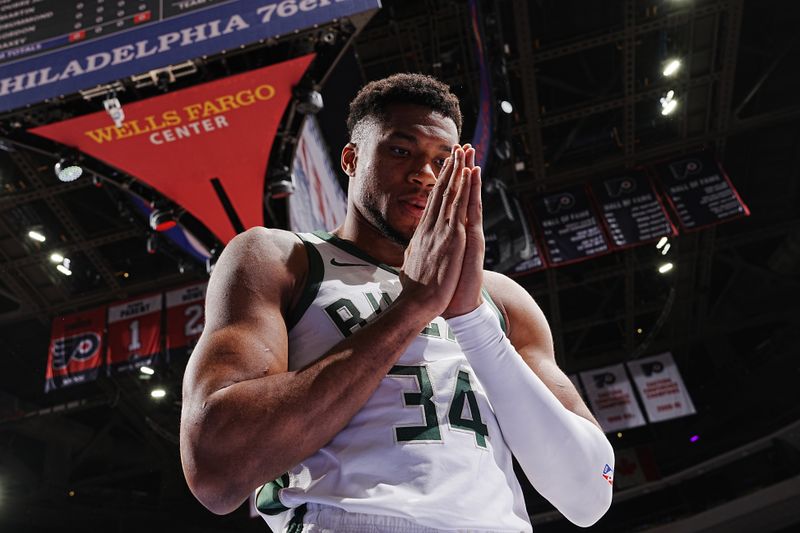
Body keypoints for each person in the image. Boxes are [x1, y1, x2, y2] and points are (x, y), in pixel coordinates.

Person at [180, 73, 615, 532]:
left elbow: (588, 495)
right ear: (351, 159)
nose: (424, 176)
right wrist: (413, 306)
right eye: (401, 150)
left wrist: (470, 319)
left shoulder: (501, 299)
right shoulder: (281, 258)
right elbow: (216, 469)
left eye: (444, 163)